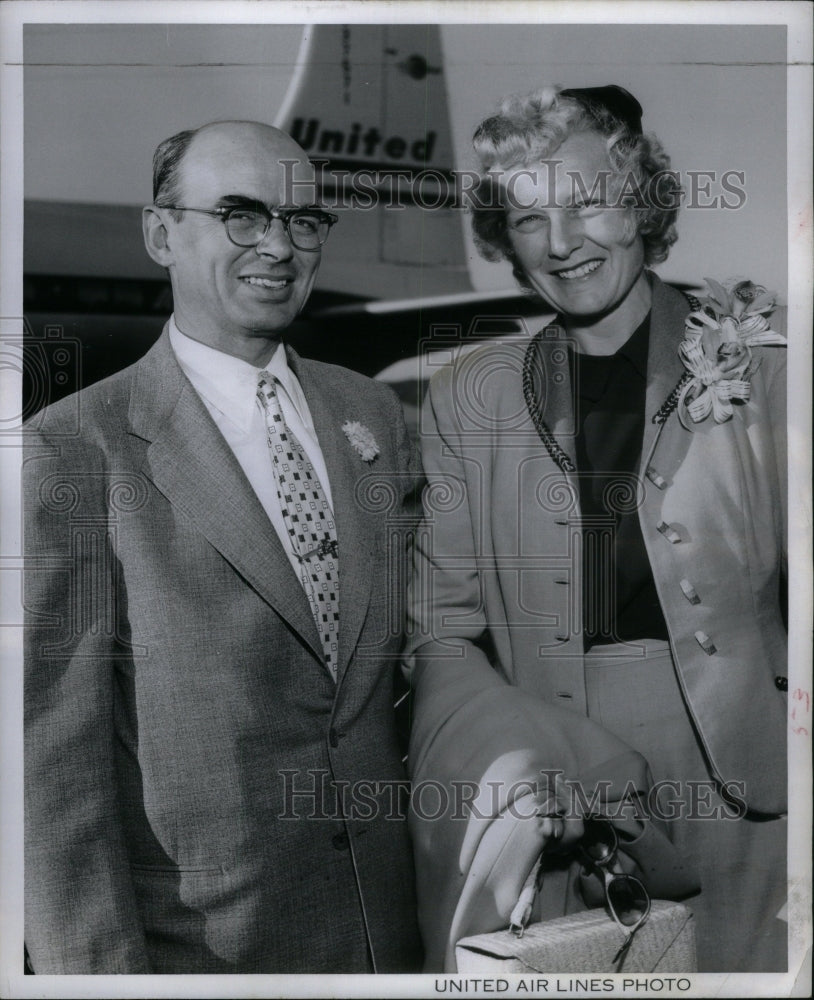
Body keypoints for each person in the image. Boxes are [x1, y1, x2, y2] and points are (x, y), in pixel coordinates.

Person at [24, 120, 423, 974]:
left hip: (393, 940)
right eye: (240, 214)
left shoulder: (378, 420)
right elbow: (53, 769)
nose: (276, 245)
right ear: (161, 232)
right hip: (208, 957)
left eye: (302, 220)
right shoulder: (73, 448)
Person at [405, 85, 788, 972]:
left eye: (589, 202)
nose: (563, 242)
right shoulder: (469, 394)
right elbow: (442, 629)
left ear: (645, 206)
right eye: (529, 218)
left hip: (754, 795)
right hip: (568, 800)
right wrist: (523, 758)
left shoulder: (766, 360)